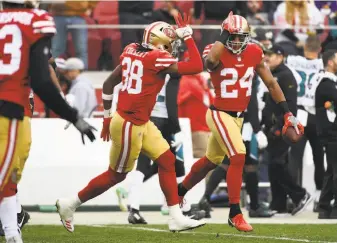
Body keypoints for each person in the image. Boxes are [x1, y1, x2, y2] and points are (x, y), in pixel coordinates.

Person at [56, 13, 206, 233]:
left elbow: (108, 84)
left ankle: (176, 217)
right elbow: (196, 65)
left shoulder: (131, 49)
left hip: (139, 121)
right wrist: (188, 37)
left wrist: (107, 117)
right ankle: (70, 204)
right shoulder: (156, 58)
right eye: (169, 44)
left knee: (167, 160)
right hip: (129, 124)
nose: (172, 48)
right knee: (116, 175)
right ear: (158, 42)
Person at [176, 12, 304, 232]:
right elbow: (210, 62)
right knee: (238, 155)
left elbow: (271, 84)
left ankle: (177, 193)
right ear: (224, 35)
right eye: (231, 36)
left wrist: (287, 113)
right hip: (219, 113)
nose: (236, 41)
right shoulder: (215, 49)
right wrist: (225, 34)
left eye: (240, 36)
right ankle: (235, 212)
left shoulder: (254, 51)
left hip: (238, 117)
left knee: (210, 161)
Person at [0, 1, 96, 242]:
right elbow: (43, 78)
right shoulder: (35, 20)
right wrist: (71, 114)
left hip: (15, 107)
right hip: (9, 106)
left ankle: (13, 232)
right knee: (6, 173)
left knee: (10, 172)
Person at [198, 39, 273, 219]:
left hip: (233, 119)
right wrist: (256, 128)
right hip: (242, 122)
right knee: (246, 164)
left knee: (229, 162)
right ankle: (251, 205)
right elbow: (252, 101)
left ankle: (206, 199)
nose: (265, 60)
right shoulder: (248, 70)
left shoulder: (240, 65)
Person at [262, 44, 312, 216]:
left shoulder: (285, 75)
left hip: (281, 128)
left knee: (277, 164)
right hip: (271, 128)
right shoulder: (273, 74)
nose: (267, 58)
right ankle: (279, 203)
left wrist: (280, 126)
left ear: (281, 56)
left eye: (271, 55)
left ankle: (300, 195)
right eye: (266, 55)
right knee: (273, 166)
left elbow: (290, 104)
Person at [286, 35, 324, 212]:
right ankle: (320, 196)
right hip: (316, 114)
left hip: (299, 112)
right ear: (320, 50)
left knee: (295, 157)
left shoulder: (293, 60)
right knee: (318, 157)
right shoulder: (323, 64)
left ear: (304, 48)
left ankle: (294, 196)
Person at [315, 50, 337, 219]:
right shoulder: (326, 84)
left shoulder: (330, 82)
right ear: (330, 62)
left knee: (331, 170)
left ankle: (323, 207)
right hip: (332, 133)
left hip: (330, 133)